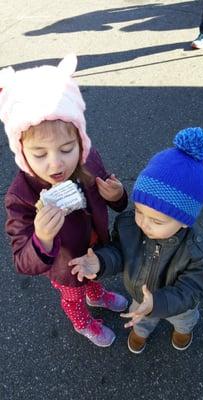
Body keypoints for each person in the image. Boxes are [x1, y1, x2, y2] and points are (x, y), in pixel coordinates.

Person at [0, 54, 128, 348]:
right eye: (40, 154)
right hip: (64, 267)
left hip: (96, 248)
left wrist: (118, 195)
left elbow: (115, 202)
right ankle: (83, 322)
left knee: (95, 276)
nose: (56, 164)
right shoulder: (21, 195)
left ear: (81, 142)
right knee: (73, 297)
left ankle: (97, 295)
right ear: (22, 152)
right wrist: (42, 239)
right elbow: (23, 260)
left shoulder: (90, 161)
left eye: (67, 148)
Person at [69, 127, 203, 354]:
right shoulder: (130, 224)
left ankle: (183, 331)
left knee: (184, 320)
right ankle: (141, 333)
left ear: (185, 221)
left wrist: (157, 304)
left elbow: (190, 290)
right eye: (139, 210)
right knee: (140, 318)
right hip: (140, 296)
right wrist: (100, 261)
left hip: (176, 305)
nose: (144, 223)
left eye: (157, 222)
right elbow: (119, 251)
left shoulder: (199, 251)